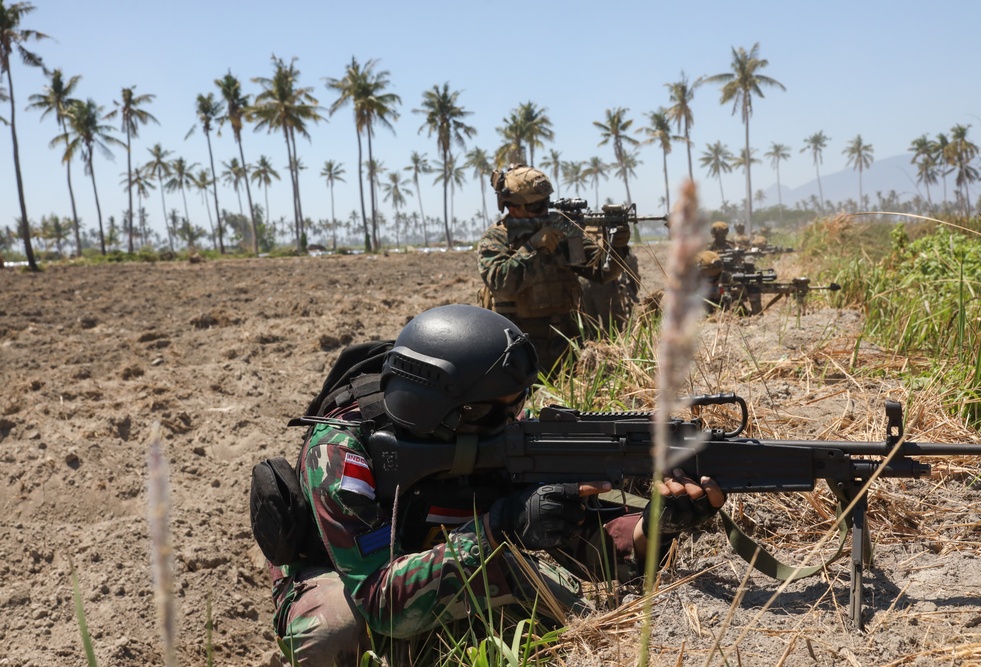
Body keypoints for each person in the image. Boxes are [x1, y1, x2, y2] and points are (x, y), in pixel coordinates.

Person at [265, 304, 725, 665]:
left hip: (447, 553)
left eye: (517, 405)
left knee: (567, 606)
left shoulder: (501, 435)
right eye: (497, 410)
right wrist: (501, 526)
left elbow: (577, 541)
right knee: (332, 629)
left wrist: (651, 529)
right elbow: (382, 605)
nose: (514, 420)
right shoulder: (342, 453)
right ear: (451, 412)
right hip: (349, 577)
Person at [477, 164, 632, 374]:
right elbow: (502, 284)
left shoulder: (561, 232)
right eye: (535, 207)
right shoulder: (496, 239)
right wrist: (534, 247)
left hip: (567, 344)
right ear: (513, 207)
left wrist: (616, 247)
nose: (544, 211)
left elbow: (601, 272)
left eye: (545, 204)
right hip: (519, 347)